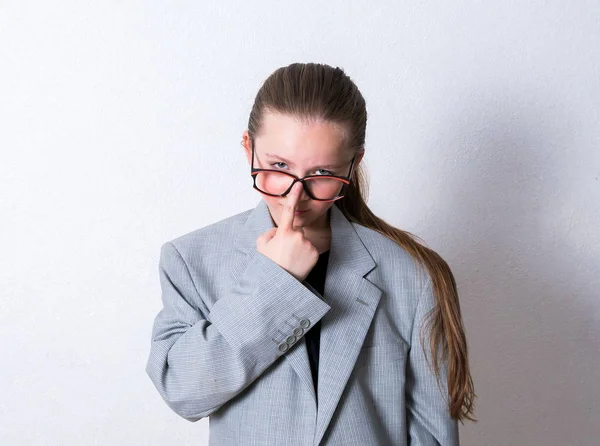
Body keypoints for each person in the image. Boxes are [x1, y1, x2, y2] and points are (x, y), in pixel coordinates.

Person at [145, 62, 477, 445]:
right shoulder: (190, 260)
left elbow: (432, 436)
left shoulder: (412, 275)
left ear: (353, 165)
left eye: (321, 173)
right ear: (248, 148)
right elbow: (183, 390)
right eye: (279, 166)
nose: (295, 194)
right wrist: (273, 282)